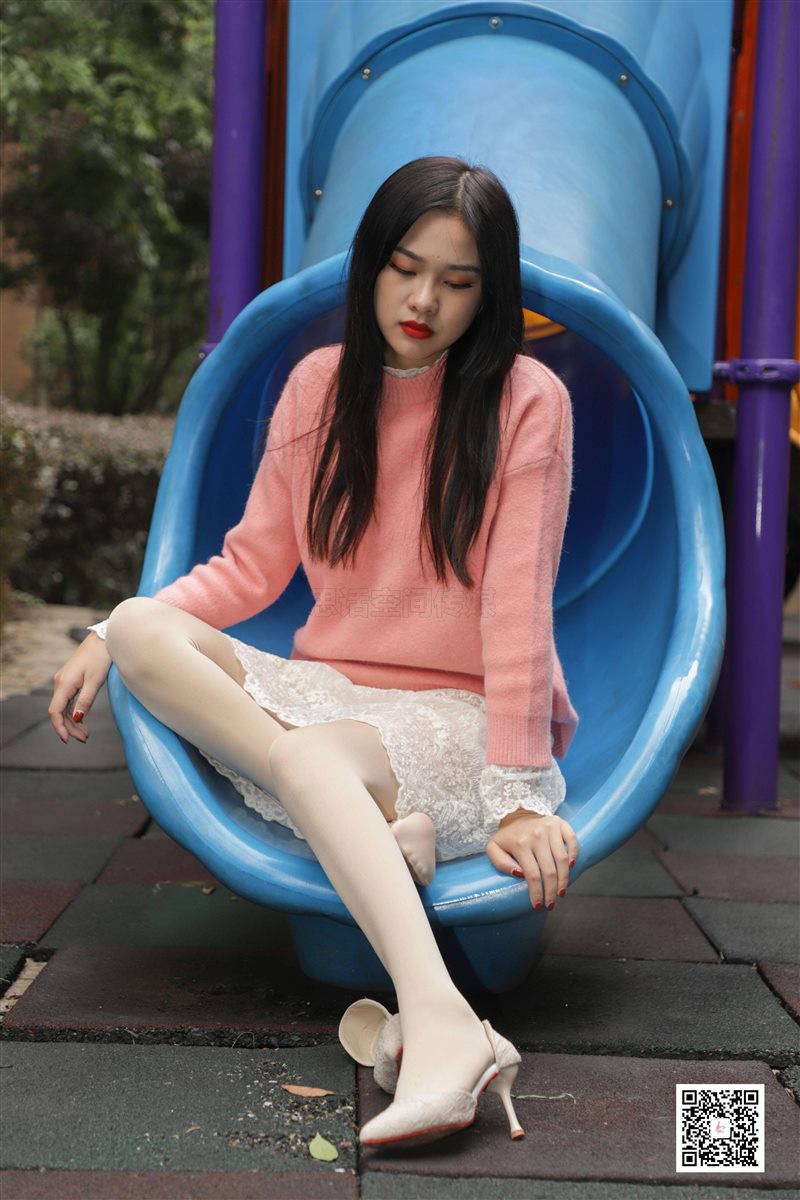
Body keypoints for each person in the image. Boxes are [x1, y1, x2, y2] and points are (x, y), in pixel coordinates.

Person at [48, 155, 580, 1150]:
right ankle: (377, 829)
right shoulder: (317, 386)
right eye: (404, 268)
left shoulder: (527, 399)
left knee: (303, 758)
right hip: (336, 695)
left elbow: (518, 606)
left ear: (489, 293)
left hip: (457, 719)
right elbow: (249, 568)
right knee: (140, 624)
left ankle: (443, 1023)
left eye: (457, 282)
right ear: (369, 263)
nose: (422, 301)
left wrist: (517, 794)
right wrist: (106, 635)